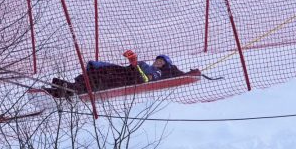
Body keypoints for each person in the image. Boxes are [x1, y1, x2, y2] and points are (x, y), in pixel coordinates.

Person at [45, 51, 192, 98]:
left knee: (102, 79)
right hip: (124, 72)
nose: (157, 62)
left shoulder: (157, 72)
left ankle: (70, 90)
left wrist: (134, 64)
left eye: (161, 62)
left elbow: (145, 80)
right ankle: (65, 86)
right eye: (157, 60)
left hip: (128, 80)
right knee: (98, 71)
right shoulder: (147, 65)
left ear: (165, 66)